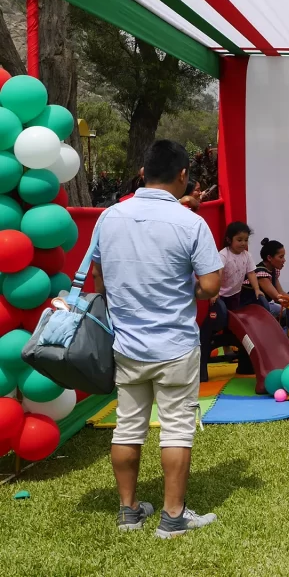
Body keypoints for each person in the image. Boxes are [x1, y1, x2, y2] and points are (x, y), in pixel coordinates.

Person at [92, 140, 222, 538]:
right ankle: (173, 517)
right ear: (183, 175)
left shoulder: (109, 217)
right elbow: (210, 286)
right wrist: (188, 289)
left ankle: (128, 511)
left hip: (126, 343)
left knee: (127, 427)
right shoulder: (190, 223)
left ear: (143, 172)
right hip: (175, 344)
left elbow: (99, 278)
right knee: (177, 428)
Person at [198, 222, 265, 382]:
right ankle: (203, 366)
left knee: (235, 324)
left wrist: (257, 290)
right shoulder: (223, 255)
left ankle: (244, 364)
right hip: (220, 297)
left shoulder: (246, 256)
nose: (243, 243)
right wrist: (214, 292)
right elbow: (218, 274)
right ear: (229, 240)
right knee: (217, 322)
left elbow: (251, 273)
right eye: (239, 240)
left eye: (245, 240)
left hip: (235, 296)